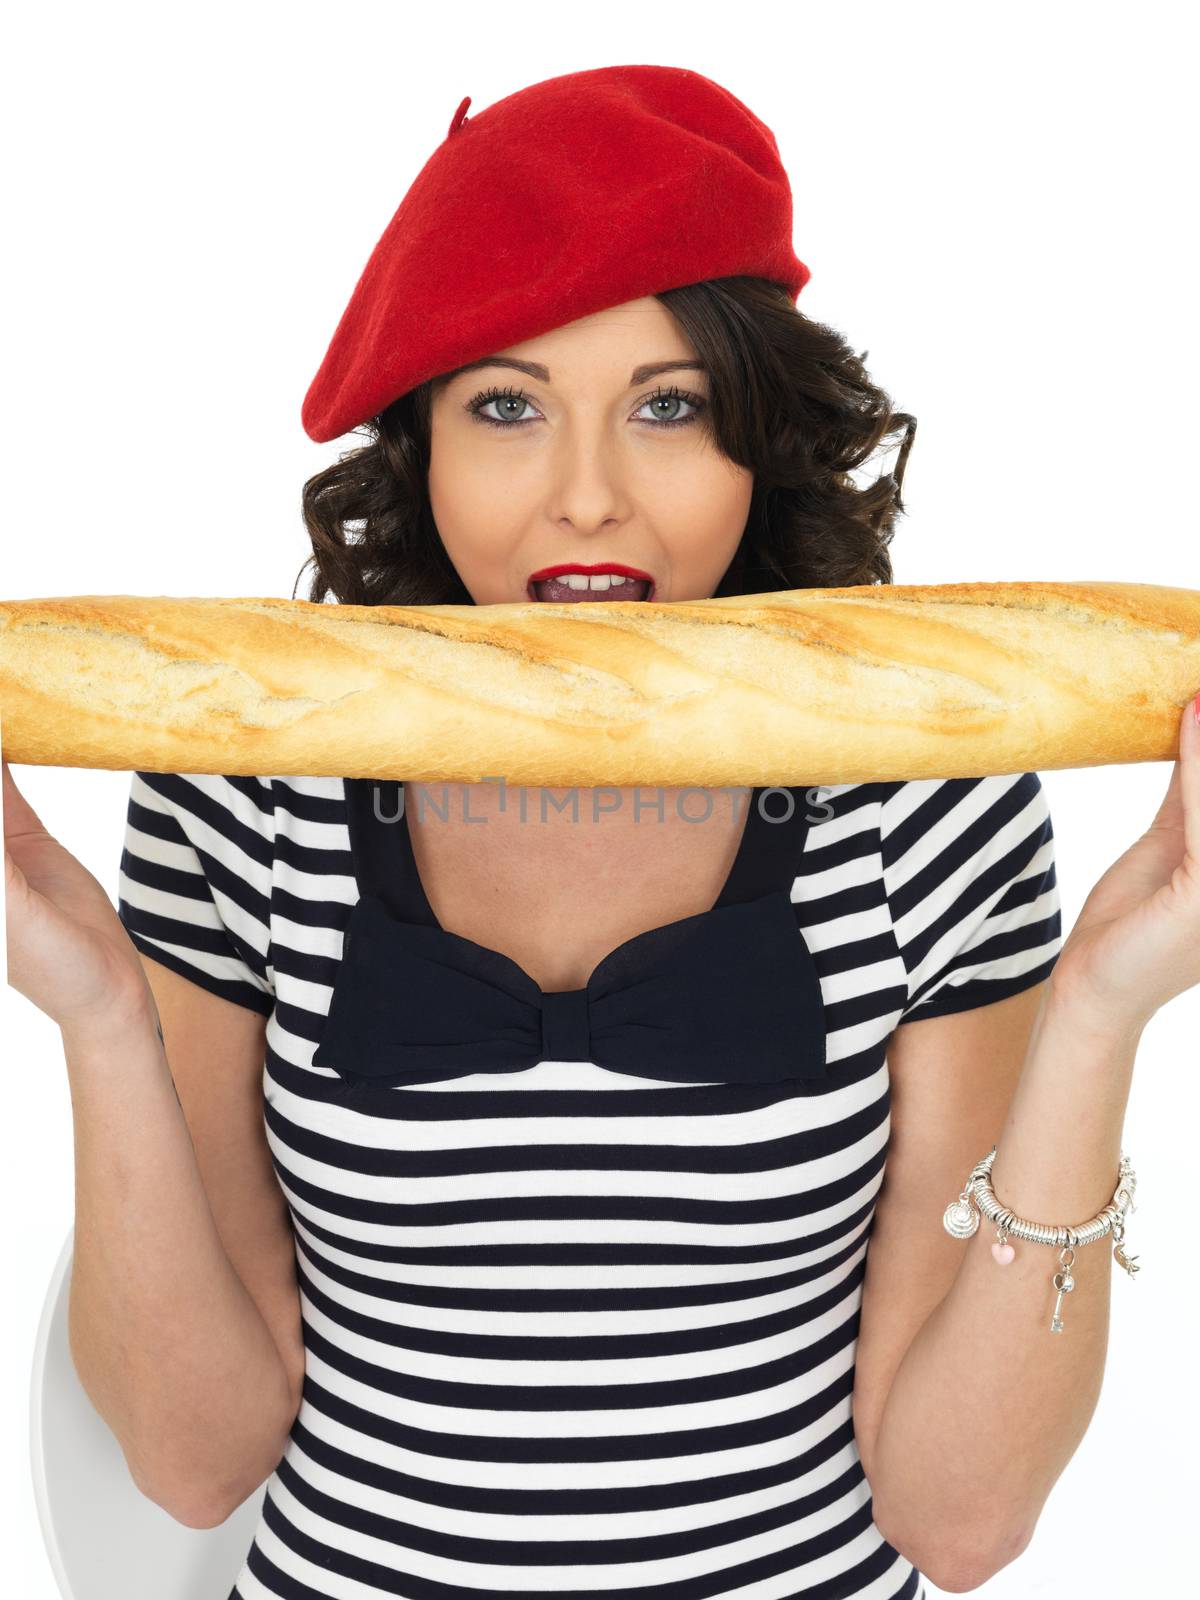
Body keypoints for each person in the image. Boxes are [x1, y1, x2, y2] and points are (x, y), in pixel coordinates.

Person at [5, 65, 1199, 1600]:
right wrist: (96, 1011)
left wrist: (1104, 1006)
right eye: (506, 406)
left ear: (755, 438)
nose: (586, 500)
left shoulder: (924, 791)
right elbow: (192, 1458)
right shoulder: (247, 786)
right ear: (418, 444)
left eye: (667, 407)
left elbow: (960, 1522)